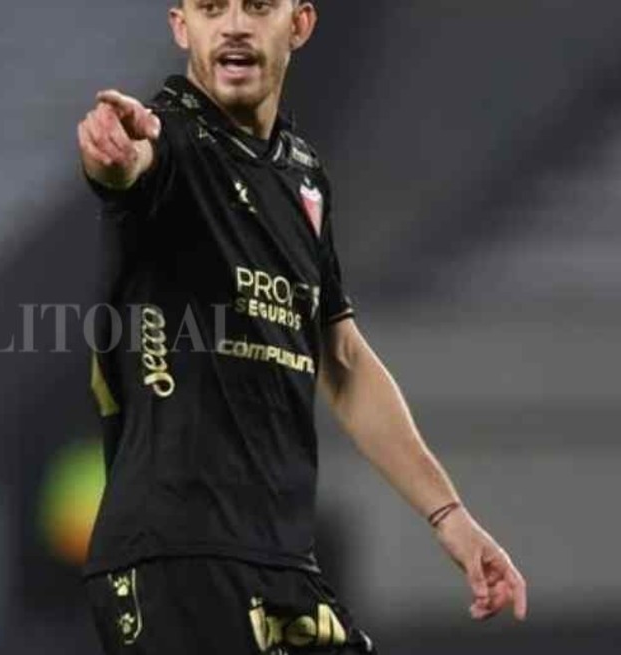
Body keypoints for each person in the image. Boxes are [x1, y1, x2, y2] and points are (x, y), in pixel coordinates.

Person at [77, 1, 528, 653]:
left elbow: (341, 358)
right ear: (182, 27)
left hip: (281, 563)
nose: (233, 24)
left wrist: (448, 515)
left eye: (258, 6)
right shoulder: (167, 138)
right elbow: (127, 168)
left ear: (300, 24)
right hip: (173, 559)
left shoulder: (302, 174)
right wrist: (113, 154)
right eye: (211, 8)